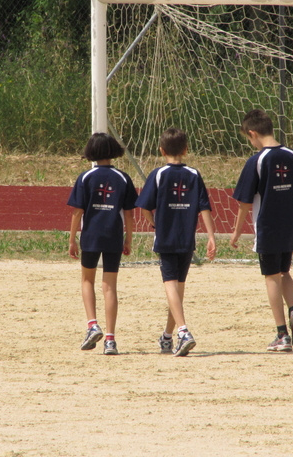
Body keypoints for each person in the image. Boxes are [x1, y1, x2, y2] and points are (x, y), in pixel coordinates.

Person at [230, 109, 293, 352]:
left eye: (249, 139)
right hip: (292, 225)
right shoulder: (292, 154)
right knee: (285, 272)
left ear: (253, 133)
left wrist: (237, 232)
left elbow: (244, 203)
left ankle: (282, 334)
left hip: (269, 227)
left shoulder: (258, 160)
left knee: (271, 277)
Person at [136, 128, 217, 356]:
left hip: (166, 237)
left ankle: (183, 331)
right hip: (186, 239)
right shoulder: (193, 174)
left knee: (170, 285)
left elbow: (143, 207)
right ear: (185, 149)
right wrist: (211, 237)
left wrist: (155, 224)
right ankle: (167, 337)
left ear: (162, 150)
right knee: (178, 290)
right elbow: (205, 208)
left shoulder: (159, 174)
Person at [67, 132, 137, 355]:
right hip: (113, 236)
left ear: (91, 152)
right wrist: (128, 239)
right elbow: (129, 214)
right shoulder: (123, 177)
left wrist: (72, 240)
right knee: (110, 286)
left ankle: (92, 325)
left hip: (91, 236)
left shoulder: (86, 177)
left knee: (87, 280)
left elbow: (77, 213)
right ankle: (110, 340)